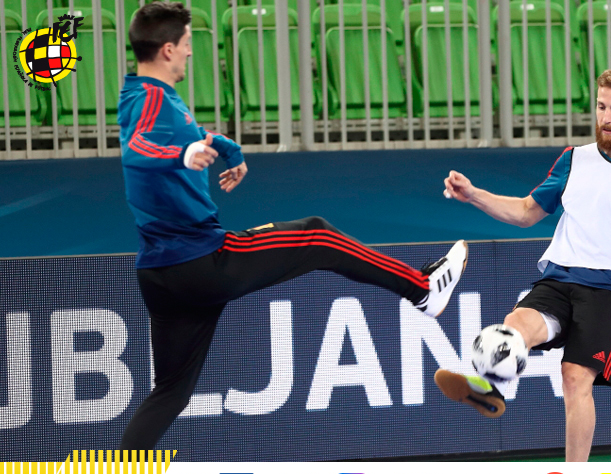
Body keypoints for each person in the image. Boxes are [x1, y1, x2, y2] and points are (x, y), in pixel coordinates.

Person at [117, 2, 468, 450]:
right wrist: (181, 157)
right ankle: (422, 289)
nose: (190, 54)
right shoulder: (149, 98)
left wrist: (224, 147)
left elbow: (176, 134)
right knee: (317, 234)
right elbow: (138, 148)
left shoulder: (146, 95)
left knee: (169, 393)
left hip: (159, 274)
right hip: (203, 259)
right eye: (186, 45)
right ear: (167, 49)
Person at [434, 68, 611, 461]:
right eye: (601, 106)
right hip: (560, 275)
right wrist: (473, 194)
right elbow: (525, 212)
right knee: (512, 329)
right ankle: (488, 387)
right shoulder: (574, 159)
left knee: (574, 378)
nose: (606, 117)